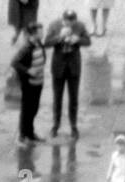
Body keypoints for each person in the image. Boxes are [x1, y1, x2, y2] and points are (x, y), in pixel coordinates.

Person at [45, 9, 90, 141]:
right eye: (67, 20)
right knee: (57, 98)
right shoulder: (54, 25)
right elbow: (46, 43)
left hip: (73, 66)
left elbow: (88, 41)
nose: (69, 23)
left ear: (75, 20)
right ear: (63, 19)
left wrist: (78, 40)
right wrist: (59, 37)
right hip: (58, 66)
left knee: (73, 98)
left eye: (72, 20)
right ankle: (55, 125)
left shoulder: (80, 26)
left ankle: (73, 126)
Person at [12, 23, 47, 147]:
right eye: (40, 32)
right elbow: (15, 62)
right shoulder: (26, 48)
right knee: (27, 110)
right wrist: (28, 71)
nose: (42, 34)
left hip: (38, 82)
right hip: (29, 85)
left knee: (34, 109)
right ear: (33, 34)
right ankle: (22, 136)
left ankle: (30, 133)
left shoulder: (39, 44)